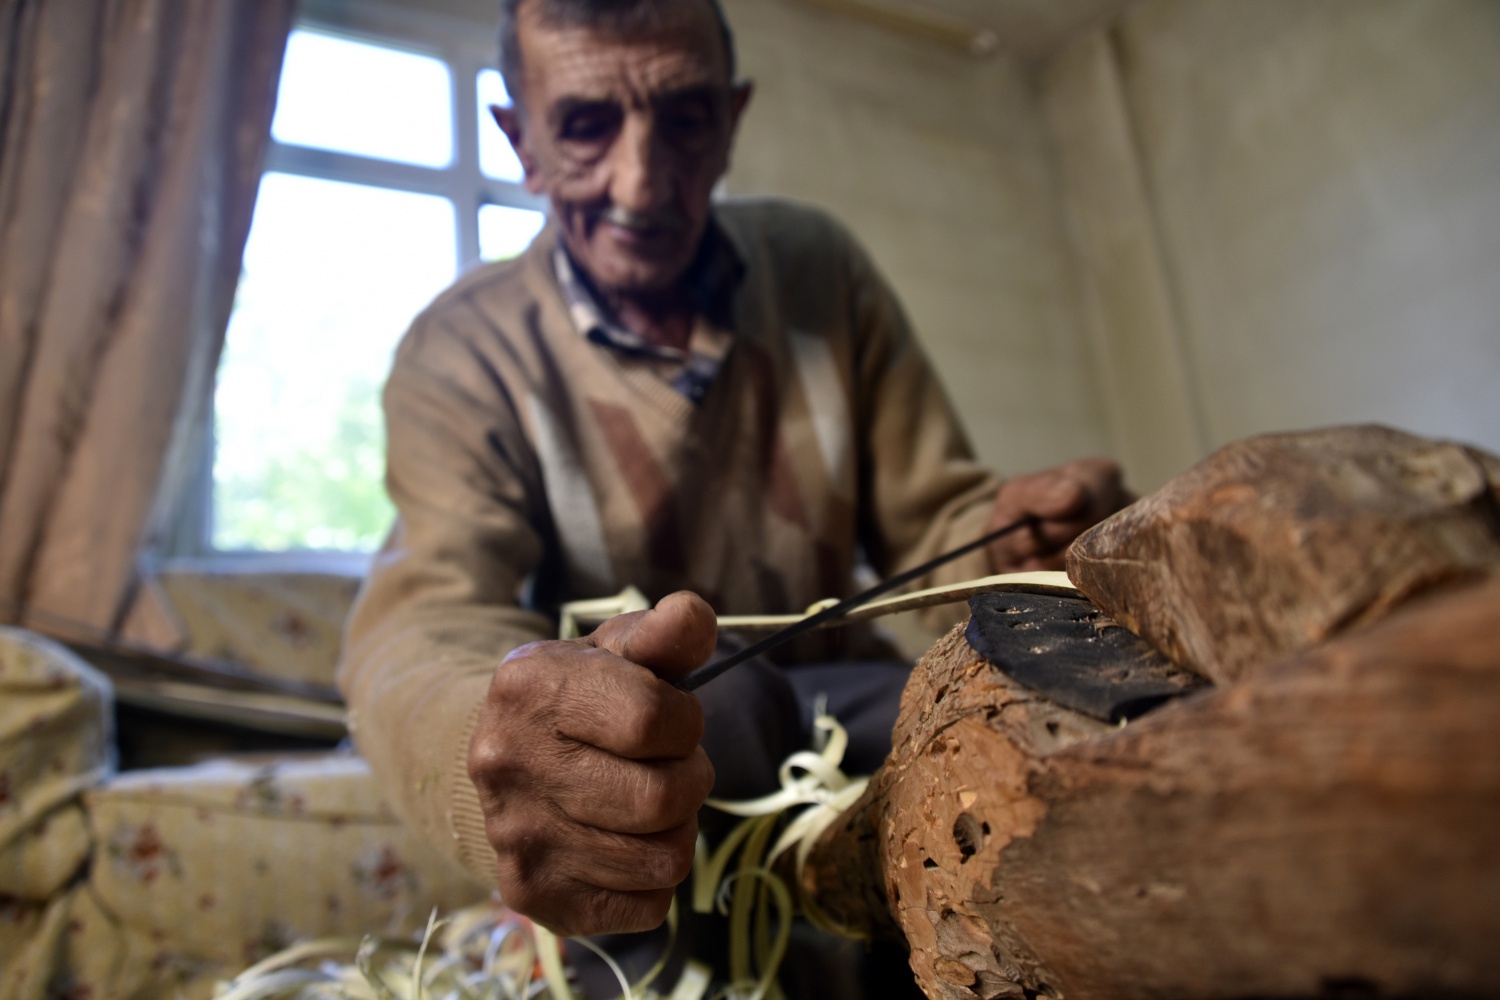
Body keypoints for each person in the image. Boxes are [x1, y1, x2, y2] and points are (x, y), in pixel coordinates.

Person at [337, 0, 1127, 945]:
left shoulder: (817, 268)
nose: (642, 183)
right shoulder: (462, 350)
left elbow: (935, 532)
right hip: (660, 764)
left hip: (852, 709)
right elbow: (424, 622)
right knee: (723, 713)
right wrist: (493, 748)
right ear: (522, 141)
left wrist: (1021, 544)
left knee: (1037, 725)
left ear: (732, 120)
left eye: (685, 118)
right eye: (586, 125)